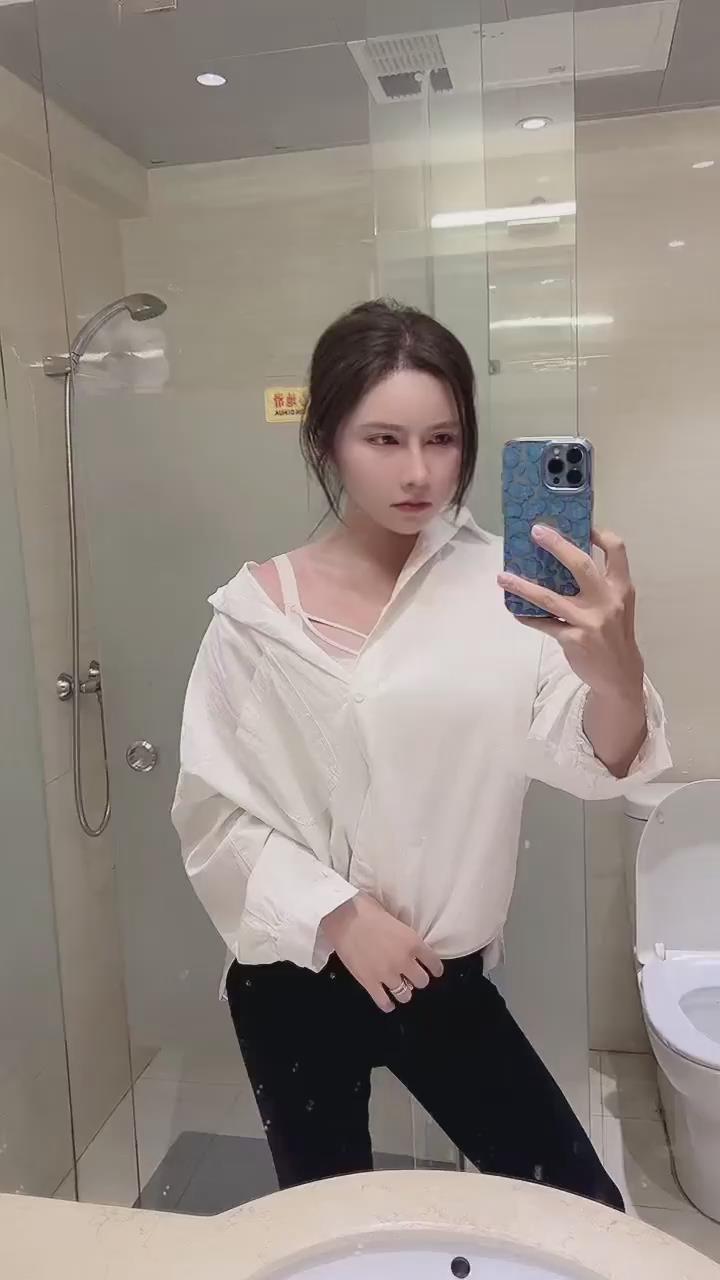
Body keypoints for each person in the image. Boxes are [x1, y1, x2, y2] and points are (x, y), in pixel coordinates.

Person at [172, 299, 671, 1208]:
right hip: (294, 978)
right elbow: (213, 818)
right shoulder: (254, 615)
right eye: (384, 439)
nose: (419, 472)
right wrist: (338, 915)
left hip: (438, 973)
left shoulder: (506, 589)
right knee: (329, 1225)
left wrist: (619, 676)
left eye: (442, 439)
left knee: (577, 1211)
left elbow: (595, 761)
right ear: (327, 441)